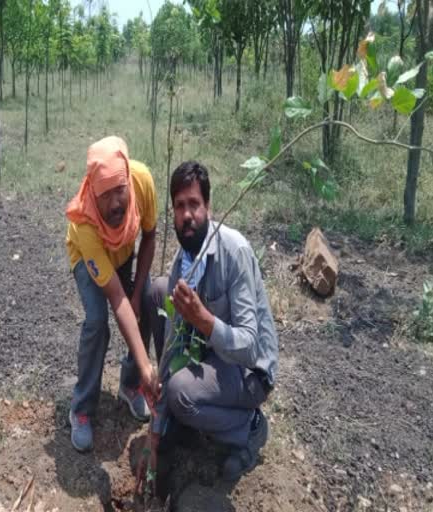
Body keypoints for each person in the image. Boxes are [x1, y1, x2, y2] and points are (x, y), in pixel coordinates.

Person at [137, 161, 279, 488]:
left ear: (209, 208)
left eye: (194, 205)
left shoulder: (235, 251)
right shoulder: (183, 263)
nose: (187, 215)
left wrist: (204, 320)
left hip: (249, 371)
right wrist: (153, 438)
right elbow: (172, 347)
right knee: (160, 291)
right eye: (180, 206)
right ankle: (181, 417)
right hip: (213, 356)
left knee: (180, 393)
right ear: (172, 213)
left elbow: (249, 345)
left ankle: (250, 426)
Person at [65, 135, 162, 453]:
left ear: (128, 183)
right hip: (90, 258)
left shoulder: (142, 180)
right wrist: (149, 364)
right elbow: (116, 297)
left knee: (147, 300)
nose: (115, 202)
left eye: (119, 191)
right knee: (97, 322)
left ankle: (131, 384)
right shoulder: (84, 224)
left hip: (124, 250)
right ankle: (80, 408)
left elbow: (149, 236)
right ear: (92, 192)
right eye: (105, 196)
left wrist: (137, 295)